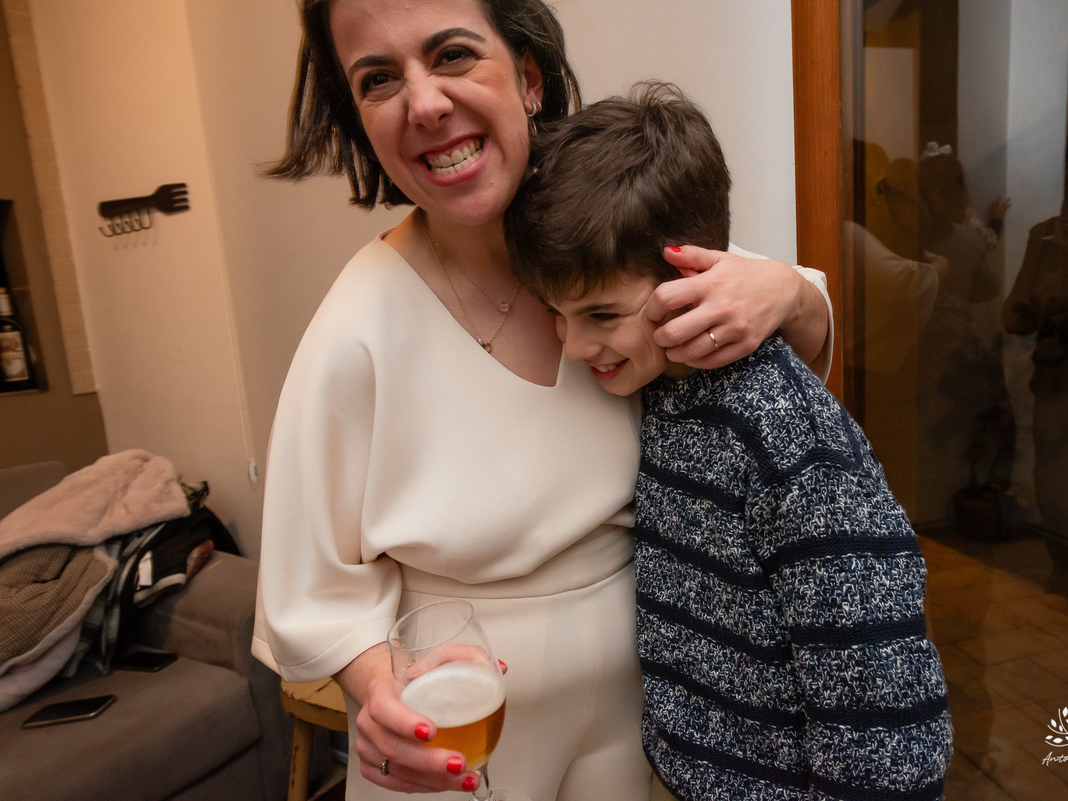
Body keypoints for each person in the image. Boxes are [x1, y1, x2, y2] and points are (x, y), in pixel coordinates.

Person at [251, 1, 835, 800]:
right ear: (361, 119)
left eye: (452, 55)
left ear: (528, 76)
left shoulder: (610, 232)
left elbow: (785, 352)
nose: (424, 104)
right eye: (379, 80)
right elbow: (315, 594)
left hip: (649, 720)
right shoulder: (355, 330)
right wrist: (383, 692)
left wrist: (788, 292)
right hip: (462, 744)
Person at [505, 83, 952, 801]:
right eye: (557, 314)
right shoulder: (665, 387)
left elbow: (885, 721)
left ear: (691, 277)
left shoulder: (788, 443)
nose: (574, 343)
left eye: (600, 314)